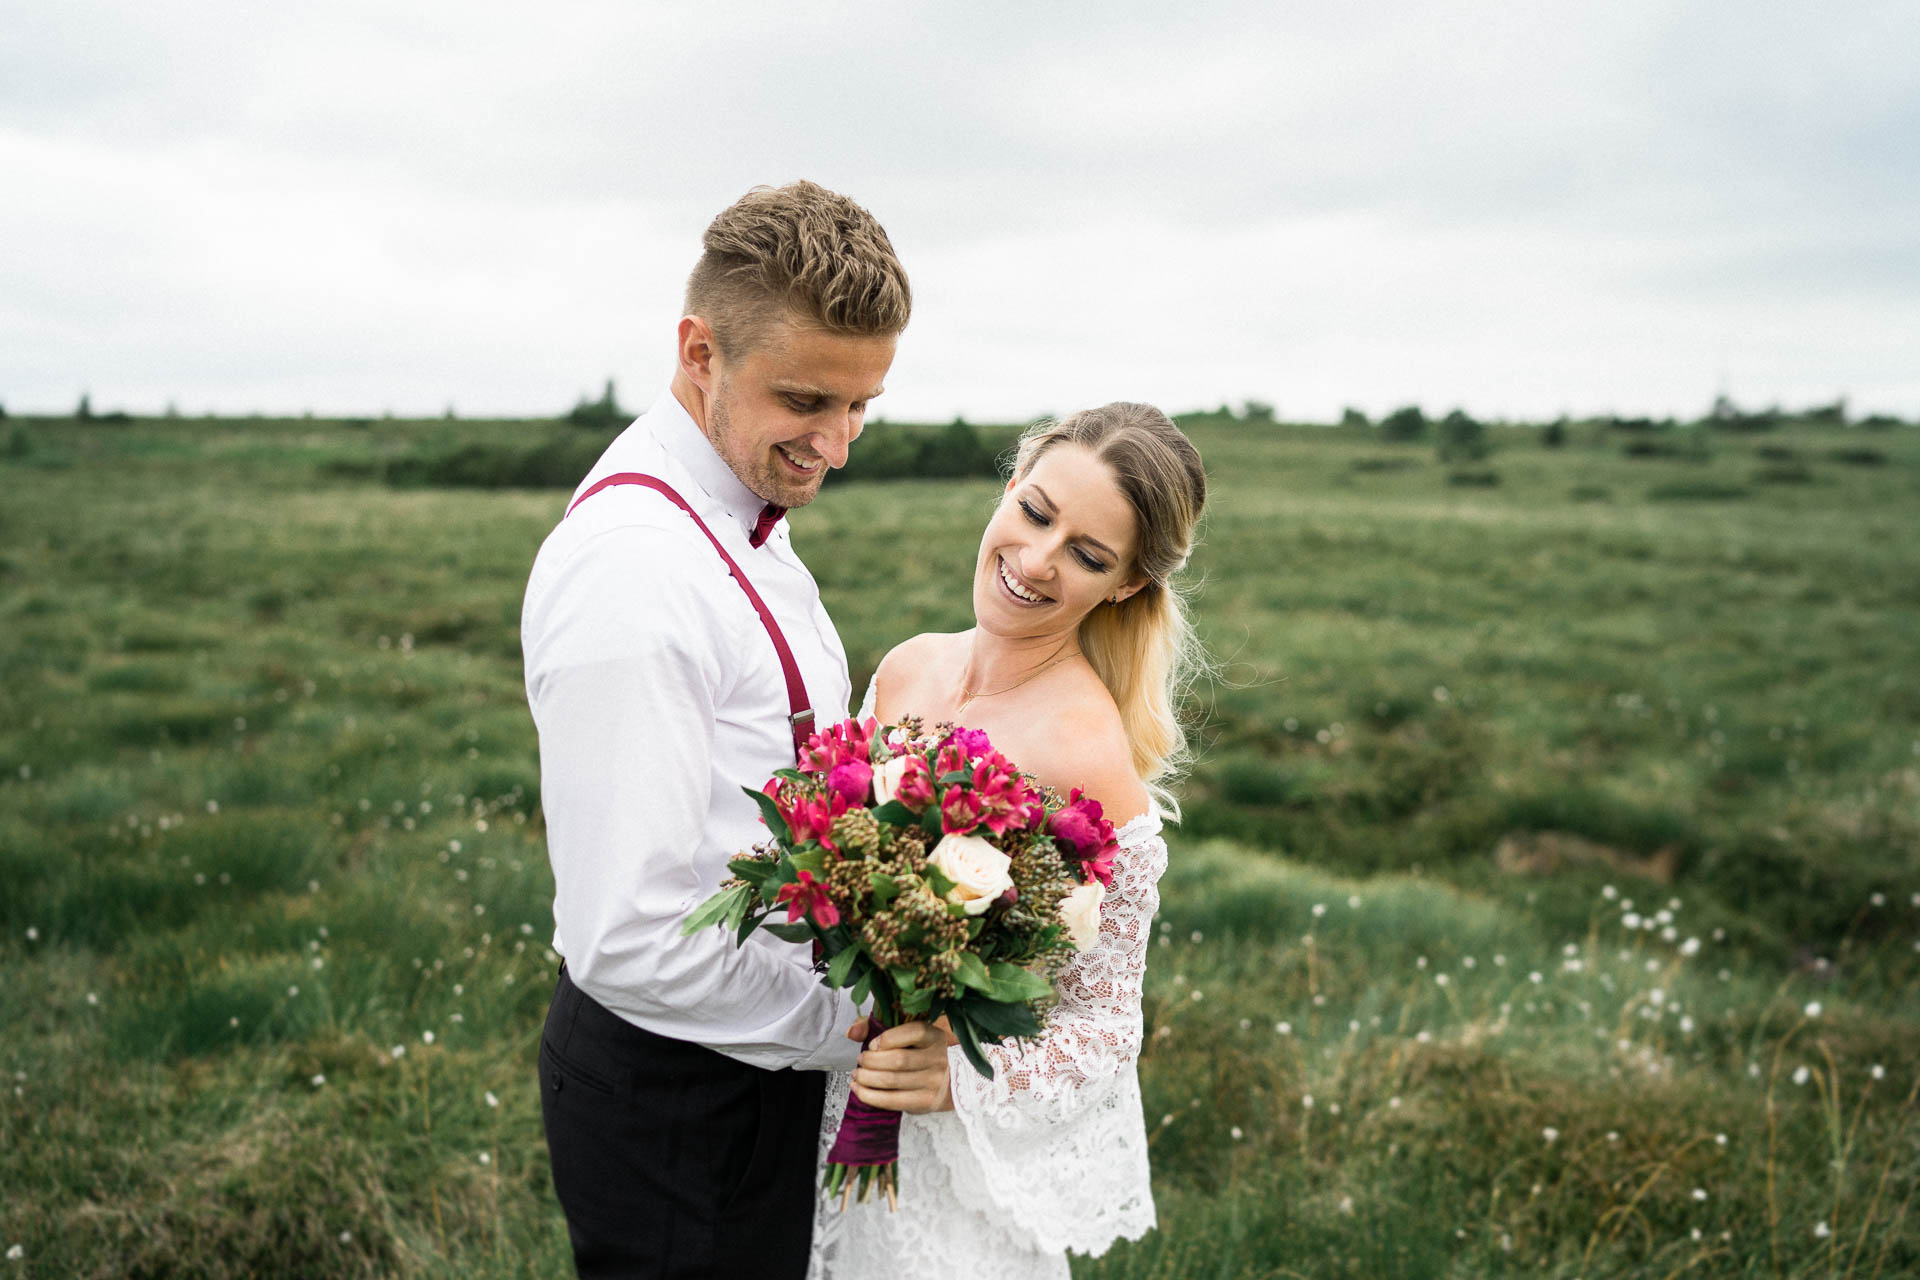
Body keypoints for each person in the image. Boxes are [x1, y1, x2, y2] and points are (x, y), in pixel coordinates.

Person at [521, 180, 911, 1279]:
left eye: (862, 405)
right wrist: (858, 1021)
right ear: (699, 350)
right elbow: (629, 934)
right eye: (806, 399)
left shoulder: (741, 515)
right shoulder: (636, 572)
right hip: (677, 1097)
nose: (837, 444)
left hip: (747, 1062)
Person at [808, 402, 1208, 1279]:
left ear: (1127, 585)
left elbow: (1104, 1027)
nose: (1035, 560)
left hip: (945, 1182)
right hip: (821, 1113)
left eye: (1087, 554)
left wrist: (960, 1078)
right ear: (1010, 488)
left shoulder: (1084, 750)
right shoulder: (908, 666)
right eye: (1034, 511)